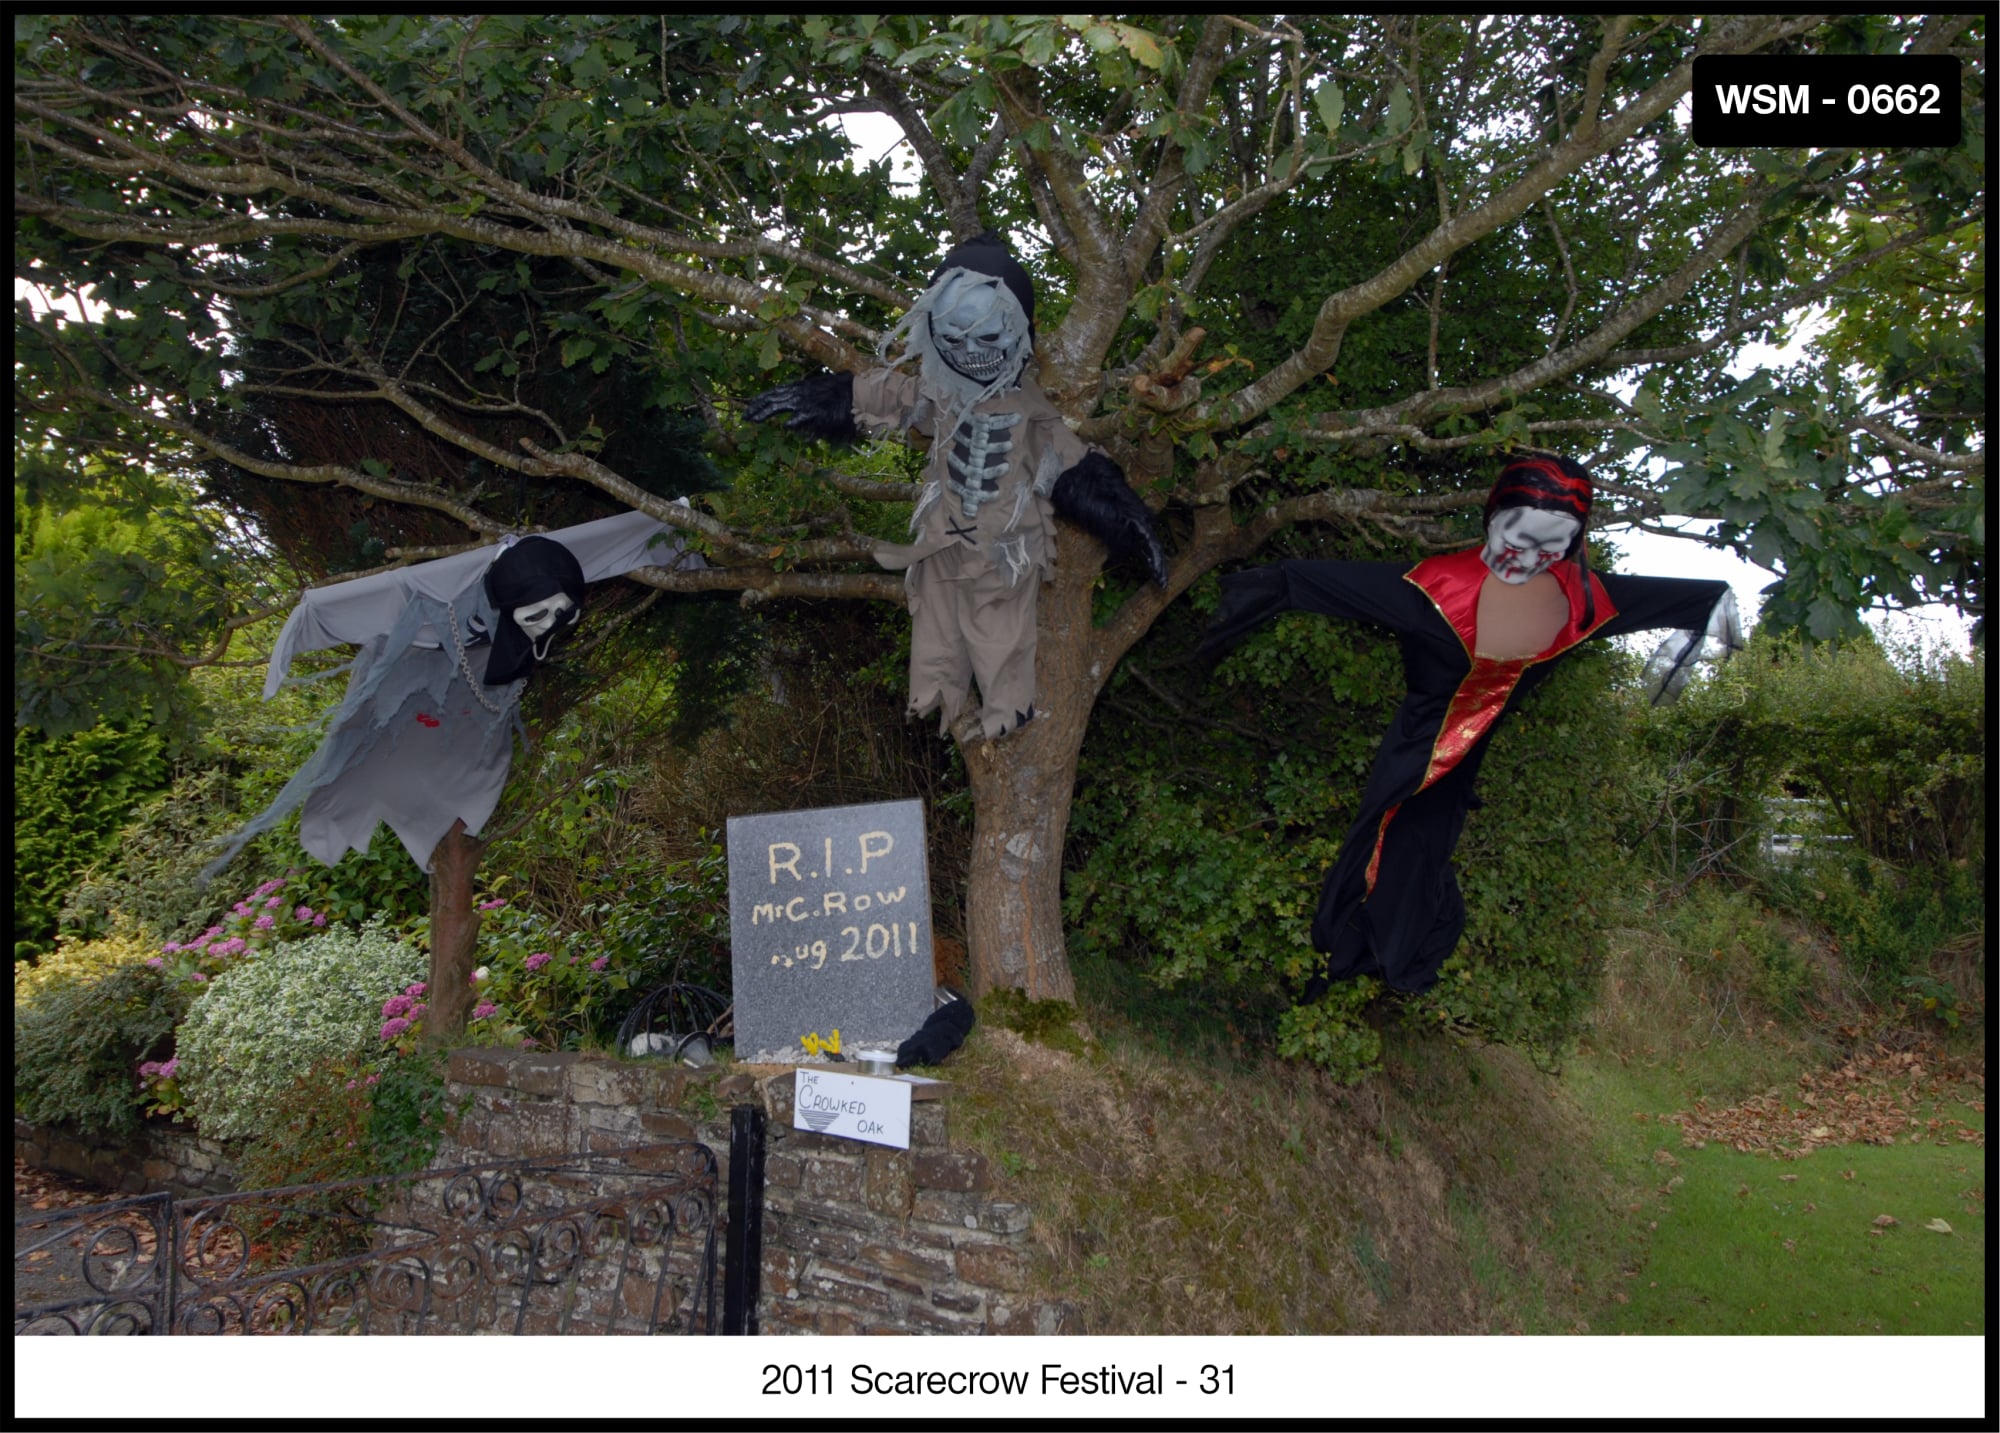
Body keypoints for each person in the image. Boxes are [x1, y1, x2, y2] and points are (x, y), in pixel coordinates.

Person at [1194, 455, 1741, 998]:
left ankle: (1357, 965)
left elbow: (1694, 597)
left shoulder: (1586, 601)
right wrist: (1214, 619)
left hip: (1464, 768)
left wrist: (1720, 607)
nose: (1529, 558)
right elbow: (1300, 581)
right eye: (1518, 537)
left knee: (1423, 863)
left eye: (1552, 546)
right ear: (1492, 517)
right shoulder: (1430, 589)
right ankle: (1337, 963)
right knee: (1382, 849)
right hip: (1415, 757)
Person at [745, 231, 1165, 740]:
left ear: (1020, 333)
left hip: (1007, 545)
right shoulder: (938, 391)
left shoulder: (1031, 412)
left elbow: (1074, 470)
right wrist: (820, 397)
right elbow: (885, 394)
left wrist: (1130, 520)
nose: (969, 351)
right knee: (936, 625)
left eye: (987, 338)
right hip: (942, 533)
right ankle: (938, 701)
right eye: (953, 336)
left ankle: (1009, 712)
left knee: (1001, 632)